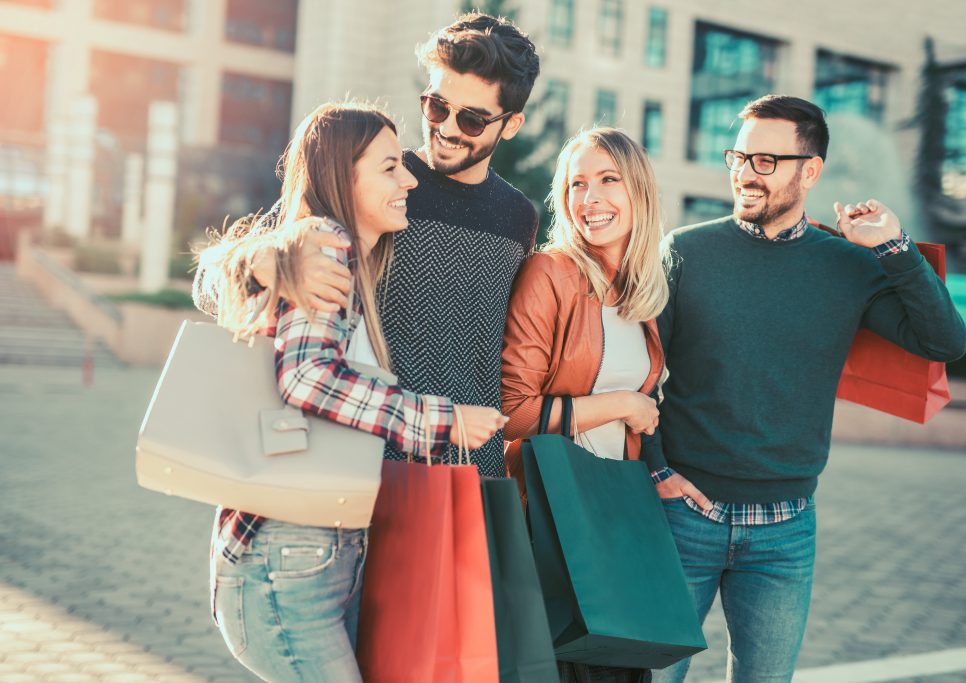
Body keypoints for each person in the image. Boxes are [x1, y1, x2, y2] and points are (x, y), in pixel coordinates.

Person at [644, 95, 966, 683]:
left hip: (785, 529)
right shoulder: (685, 251)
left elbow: (944, 340)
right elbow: (639, 375)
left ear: (810, 171)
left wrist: (894, 248)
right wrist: (657, 469)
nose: (745, 172)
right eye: (738, 156)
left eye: (766, 160)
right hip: (682, 518)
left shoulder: (852, 264)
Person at [205, 102, 506, 682]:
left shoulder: (355, 258)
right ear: (344, 174)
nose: (410, 180)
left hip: (318, 551)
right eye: (390, 168)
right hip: (285, 553)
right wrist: (442, 421)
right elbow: (307, 377)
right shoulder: (324, 242)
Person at [193, 12, 541, 481]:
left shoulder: (519, 218)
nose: (446, 127)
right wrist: (266, 262)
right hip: (364, 464)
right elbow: (209, 286)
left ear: (512, 124)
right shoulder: (372, 186)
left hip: (472, 472)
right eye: (436, 106)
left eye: (473, 118)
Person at [502, 127, 668, 683]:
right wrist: (621, 402)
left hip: (615, 517)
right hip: (553, 517)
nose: (590, 199)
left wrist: (662, 469)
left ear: (638, 192)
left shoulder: (642, 290)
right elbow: (513, 409)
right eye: (577, 184)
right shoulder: (551, 273)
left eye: (607, 181)